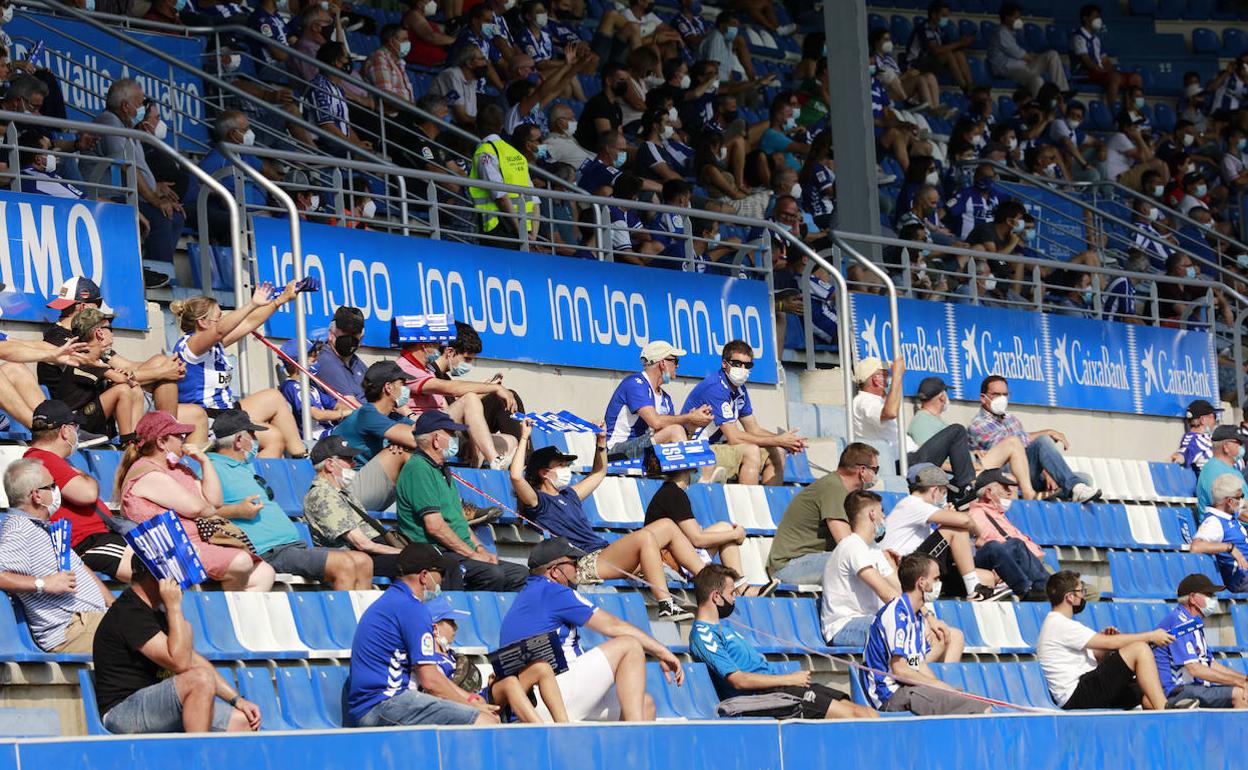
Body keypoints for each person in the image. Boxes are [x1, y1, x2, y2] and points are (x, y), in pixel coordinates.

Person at [512, 423, 703, 619]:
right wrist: (525, 437)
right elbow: (516, 477)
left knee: (668, 526)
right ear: (544, 473)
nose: (566, 469)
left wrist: (601, 443)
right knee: (645, 537)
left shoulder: (570, 495)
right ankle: (666, 604)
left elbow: (599, 473)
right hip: (584, 562)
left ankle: (707, 580)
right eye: (560, 465)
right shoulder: (540, 502)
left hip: (604, 555)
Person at [498, 537, 684, 722]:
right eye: (573, 562)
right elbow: (613, 625)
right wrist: (663, 651)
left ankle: (627, 746)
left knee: (645, 705)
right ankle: (633, 732)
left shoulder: (526, 595)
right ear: (555, 571)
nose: (578, 568)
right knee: (629, 646)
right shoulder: (553, 591)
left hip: (531, 703)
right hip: (551, 694)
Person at [208, 409, 374, 589]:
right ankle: (345, 617)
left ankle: (362, 617)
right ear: (239, 440)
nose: (256, 440)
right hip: (270, 550)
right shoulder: (211, 468)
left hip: (291, 547)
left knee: (364, 561)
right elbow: (201, 511)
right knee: (346, 564)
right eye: (252, 434)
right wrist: (237, 511)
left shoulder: (245, 466)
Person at [93, 556, 261, 733]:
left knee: (244, 721)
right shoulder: (129, 612)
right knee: (199, 679)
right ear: (155, 575)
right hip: (122, 712)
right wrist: (175, 608)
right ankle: (198, 757)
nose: (179, 580)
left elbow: (192, 659)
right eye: (173, 572)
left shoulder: (157, 611)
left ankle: (205, 757)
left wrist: (237, 700)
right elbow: (180, 663)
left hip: (159, 705)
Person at [688, 563, 877, 719]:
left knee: (866, 712)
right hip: (766, 697)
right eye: (731, 594)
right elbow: (738, 680)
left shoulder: (724, 628)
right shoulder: (703, 634)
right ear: (716, 597)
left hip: (779, 690)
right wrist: (789, 678)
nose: (735, 599)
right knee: (856, 715)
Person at [117, 411, 275, 592]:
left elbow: (215, 502)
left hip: (197, 543)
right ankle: (218, 613)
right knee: (241, 562)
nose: (184, 440)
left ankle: (227, 614)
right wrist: (207, 507)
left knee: (264, 573)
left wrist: (204, 462)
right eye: (179, 436)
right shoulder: (147, 472)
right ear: (162, 442)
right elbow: (198, 509)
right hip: (168, 549)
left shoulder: (180, 469)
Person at [346, 543, 500, 727]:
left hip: (373, 705)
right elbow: (430, 682)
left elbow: (433, 674)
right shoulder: (412, 608)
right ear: (424, 576)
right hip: (383, 705)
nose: (441, 582)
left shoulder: (392, 600)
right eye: (440, 576)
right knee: (486, 722)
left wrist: (470, 698)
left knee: (480, 715)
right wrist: (472, 708)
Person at [396, 411, 527, 591]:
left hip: (461, 552)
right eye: (450, 434)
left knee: (520, 574)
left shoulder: (442, 470)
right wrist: (472, 554)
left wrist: (480, 549)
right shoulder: (419, 469)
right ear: (436, 439)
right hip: (438, 553)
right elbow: (435, 526)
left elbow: (459, 522)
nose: (455, 438)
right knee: (492, 575)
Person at [170, 287, 306, 458]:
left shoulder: (213, 344)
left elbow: (249, 323)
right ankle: (253, 480)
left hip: (226, 410)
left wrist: (281, 300)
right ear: (202, 322)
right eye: (219, 318)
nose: (223, 322)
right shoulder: (191, 345)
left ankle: (301, 457)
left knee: (274, 397)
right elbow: (220, 330)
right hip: (208, 416)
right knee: (273, 437)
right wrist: (252, 304)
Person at [0, 457, 110, 653]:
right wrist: (44, 584)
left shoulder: (44, 528)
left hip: (94, 620)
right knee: (149, 631)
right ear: (37, 496)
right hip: (71, 630)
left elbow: (80, 568)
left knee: (152, 624)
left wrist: (112, 603)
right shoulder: (19, 528)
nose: (56, 490)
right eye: (52, 486)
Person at [859, 553, 988, 715]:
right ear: (921, 582)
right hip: (889, 694)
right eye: (936, 579)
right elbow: (899, 669)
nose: (939, 584)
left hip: (908, 688)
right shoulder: (896, 614)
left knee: (974, 700)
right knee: (976, 708)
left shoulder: (917, 617)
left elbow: (916, 664)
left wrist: (942, 686)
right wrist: (938, 687)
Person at [24, 400, 133, 581]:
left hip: (96, 539)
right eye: (76, 428)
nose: (77, 434)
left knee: (158, 565)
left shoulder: (44, 459)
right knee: (150, 567)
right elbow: (87, 494)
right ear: (65, 431)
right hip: (87, 543)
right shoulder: (43, 459)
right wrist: (86, 476)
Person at [1036, 570, 1173, 710]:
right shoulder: (1060, 624)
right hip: (1075, 695)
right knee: (1139, 649)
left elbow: (1097, 656)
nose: (1083, 595)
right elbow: (1111, 644)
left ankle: (1164, 716)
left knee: (1143, 688)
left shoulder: (1060, 624)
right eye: (1080, 590)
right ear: (1070, 597)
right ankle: (1165, 710)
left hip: (1085, 690)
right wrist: (1151, 636)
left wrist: (1104, 645)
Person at [83, 79, 184, 265]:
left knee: (176, 216)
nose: (142, 107)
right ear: (125, 105)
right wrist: (154, 199)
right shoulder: (108, 121)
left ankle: (162, 270)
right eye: (139, 103)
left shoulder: (127, 128)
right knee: (160, 217)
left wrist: (156, 189)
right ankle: (159, 273)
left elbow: (138, 169)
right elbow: (125, 165)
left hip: (128, 196)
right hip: (107, 196)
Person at [395, 320, 522, 469]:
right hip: (422, 429)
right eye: (435, 346)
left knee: (510, 441)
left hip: (443, 425)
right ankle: (494, 460)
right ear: (423, 346)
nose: (437, 350)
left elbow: (448, 406)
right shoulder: (404, 368)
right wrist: (491, 388)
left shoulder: (427, 369)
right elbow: (450, 388)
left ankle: (491, 467)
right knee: (470, 398)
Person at [427, 595, 570, 723]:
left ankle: (564, 726)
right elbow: (442, 689)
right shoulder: (431, 661)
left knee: (541, 667)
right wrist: (472, 702)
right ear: (435, 628)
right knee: (509, 683)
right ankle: (541, 731)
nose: (456, 627)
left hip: (482, 695)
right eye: (451, 622)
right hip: (465, 705)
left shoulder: (451, 654)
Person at [681, 340, 804, 485]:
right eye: (737, 364)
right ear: (724, 364)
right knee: (751, 451)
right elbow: (734, 438)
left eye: (747, 365)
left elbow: (753, 429)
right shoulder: (715, 388)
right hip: (697, 448)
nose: (742, 368)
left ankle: (767, 503)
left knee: (777, 452)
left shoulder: (740, 389)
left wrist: (785, 440)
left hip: (717, 446)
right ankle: (746, 504)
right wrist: (778, 440)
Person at [880, 463, 1008, 602]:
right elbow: (965, 520)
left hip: (919, 566)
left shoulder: (922, 516)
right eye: (944, 492)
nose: (945, 498)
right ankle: (973, 591)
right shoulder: (912, 503)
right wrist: (980, 535)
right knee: (956, 528)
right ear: (934, 491)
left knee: (988, 578)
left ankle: (975, 591)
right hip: (903, 570)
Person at [641, 447, 761, 591]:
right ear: (690, 469)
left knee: (724, 527)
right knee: (727, 532)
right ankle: (742, 590)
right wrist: (736, 534)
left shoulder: (671, 491)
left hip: (675, 555)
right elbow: (697, 539)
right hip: (668, 560)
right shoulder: (673, 494)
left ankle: (741, 588)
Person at [968, 375, 1101, 503]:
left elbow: (1026, 451)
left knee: (1085, 480)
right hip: (1004, 476)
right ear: (983, 398)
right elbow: (1013, 446)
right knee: (1042, 440)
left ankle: (1071, 489)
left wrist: (1048, 471)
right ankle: (1068, 489)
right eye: (996, 395)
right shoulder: (978, 425)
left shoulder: (1010, 419)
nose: (1002, 399)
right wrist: (1047, 432)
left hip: (1027, 474)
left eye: (1005, 394)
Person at [767, 443, 880, 584]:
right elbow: (846, 543)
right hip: (789, 566)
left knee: (875, 561)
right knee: (858, 561)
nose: (876, 475)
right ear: (862, 470)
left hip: (808, 560)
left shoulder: (842, 490)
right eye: (876, 469)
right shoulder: (833, 489)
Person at [908, 376, 1037, 500]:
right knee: (1012, 447)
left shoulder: (934, 419)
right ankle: (1029, 496)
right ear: (942, 396)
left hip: (972, 465)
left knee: (1014, 452)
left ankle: (1026, 501)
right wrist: (967, 466)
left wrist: (971, 453)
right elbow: (929, 462)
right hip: (963, 473)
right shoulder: (922, 421)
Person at [302, 434, 402, 578]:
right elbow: (363, 544)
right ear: (330, 464)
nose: (353, 464)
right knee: (423, 564)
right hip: (358, 557)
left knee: (436, 560)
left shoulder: (341, 493)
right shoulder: (322, 495)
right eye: (348, 459)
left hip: (372, 552)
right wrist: (403, 553)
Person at [330, 361, 420, 513]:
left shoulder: (393, 417)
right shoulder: (367, 414)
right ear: (388, 387)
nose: (406, 389)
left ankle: (441, 509)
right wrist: (403, 439)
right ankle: (440, 510)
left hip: (369, 489)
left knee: (425, 446)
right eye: (402, 384)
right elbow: (416, 439)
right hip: (347, 493)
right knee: (401, 451)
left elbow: (430, 432)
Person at [822, 491, 908, 648]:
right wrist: (914, 615)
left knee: (950, 635)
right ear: (872, 514)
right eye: (882, 511)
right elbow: (885, 592)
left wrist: (927, 616)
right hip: (844, 626)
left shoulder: (874, 548)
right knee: (901, 627)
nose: (884, 517)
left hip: (870, 621)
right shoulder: (852, 546)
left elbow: (899, 589)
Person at [603, 340, 712, 459]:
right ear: (662, 363)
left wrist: (691, 426)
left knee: (698, 438)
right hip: (616, 449)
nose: (677, 366)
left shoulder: (665, 398)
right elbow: (655, 422)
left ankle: (696, 476)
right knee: (675, 430)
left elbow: (673, 439)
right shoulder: (635, 383)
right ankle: (692, 476)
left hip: (644, 448)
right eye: (675, 361)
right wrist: (689, 417)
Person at [1152, 573, 1248, 708]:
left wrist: (1244, 679)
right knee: (1241, 695)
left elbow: (1209, 664)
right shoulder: (1180, 622)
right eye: (1209, 595)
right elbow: (1195, 669)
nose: (1214, 599)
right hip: (1178, 691)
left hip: (1194, 688)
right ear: (1192, 598)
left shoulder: (1193, 623)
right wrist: (1239, 683)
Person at [58, 307, 145, 442]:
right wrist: (122, 378)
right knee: (122, 389)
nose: (112, 334)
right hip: (76, 426)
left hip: (92, 421)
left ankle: (136, 439)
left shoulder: (99, 359)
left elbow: (124, 380)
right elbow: (120, 379)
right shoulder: (81, 359)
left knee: (136, 390)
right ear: (99, 333)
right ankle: (127, 442)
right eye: (110, 329)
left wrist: (126, 377)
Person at [964, 469, 1050, 601]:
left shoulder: (997, 513)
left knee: (1085, 591)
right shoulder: (978, 515)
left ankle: (1051, 590)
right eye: (1004, 488)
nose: (1009, 492)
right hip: (1024, 570)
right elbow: (985, 546)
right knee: (1015, 544)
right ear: (988, 492)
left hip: (1035, 566)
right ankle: (1048, 590)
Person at [470, 103, 536, 242]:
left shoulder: (484, 153)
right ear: (501, 127)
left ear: (476, 127)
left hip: (500, 229)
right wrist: (533, 235)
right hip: (525, 228)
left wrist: (520, 231)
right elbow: (535, 199)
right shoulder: (516, 154)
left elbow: (501, 196)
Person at [1068, 3, 1140, 110]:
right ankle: (1112, 113)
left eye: (1099, 17)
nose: (1099, 20)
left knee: (1136, 78)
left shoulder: (1096, 39)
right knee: (1115, 78)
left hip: (1099, 73)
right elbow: (1086, 61)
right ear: (1085, 19)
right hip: (1085, 73)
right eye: (1095, 17)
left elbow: (1105, 61)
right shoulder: (1078, 37)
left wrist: (1112, 70)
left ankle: (1133, 113)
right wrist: (1105, 72)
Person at [988, 2, 1068, 97]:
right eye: (1016, 17)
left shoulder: (1011, 32)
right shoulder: (1001, 32)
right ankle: (1038, 108)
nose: (1018, 20)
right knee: (1037, 80)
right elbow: (1018, 53)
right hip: (1008, 70)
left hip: (1023, 67)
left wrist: (1034, 56)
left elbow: (1024, 55)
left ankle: (1062, 92)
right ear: (1007, 18)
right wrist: (1033, 57)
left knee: (1052, 54)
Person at [277, 339, 349, 439]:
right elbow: (317, 415)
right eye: (312, 355)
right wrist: (345, 413)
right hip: (315, 438)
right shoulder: (292, 387)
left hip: (329, 431)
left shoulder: (310, 387)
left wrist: (354, 410)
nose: (316, 357)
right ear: (296, 364)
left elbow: (335, 404)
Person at [1190, 472, 1248, 593]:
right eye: (1240, 497)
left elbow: (1244, 506)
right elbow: (1196, 546)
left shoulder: (1229, 514)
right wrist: (1229, 548)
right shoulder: (1214, 522)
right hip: (1241, 578)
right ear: (1229, 501)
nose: (1242, 500)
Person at [317, 306, 368, 407]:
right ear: (331, 334)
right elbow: (352, 405)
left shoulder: (356, 362)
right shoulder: (326, 362)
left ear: (360, 338)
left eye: (354, 333)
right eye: (345, 332)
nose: (349, 338)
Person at [1195, 426, 1248, 512]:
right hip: (1223, 524)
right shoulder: (1213, 471)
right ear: (1226, 447)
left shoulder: (1233, 470)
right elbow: (1232, 509)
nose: (1241, 446)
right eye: (1238, 443)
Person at [1170, 398, 1222, 471]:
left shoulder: (1205, 438)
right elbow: (1182, 454)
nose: (1215, 421)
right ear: (1203, 420)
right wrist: (1177, 458)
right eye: (1214, 417)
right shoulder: (1195, 439)